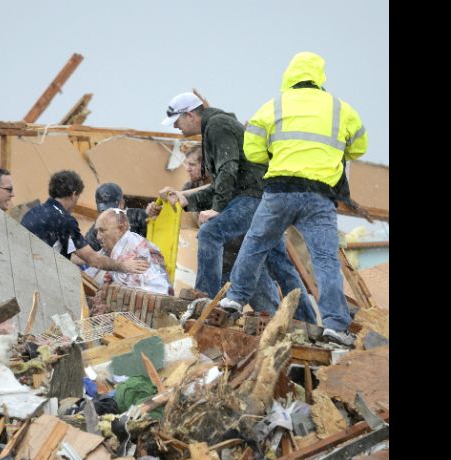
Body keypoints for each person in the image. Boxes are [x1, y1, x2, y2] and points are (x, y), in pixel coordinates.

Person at [219, 52, 367, 347]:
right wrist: (332, 155)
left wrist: (277, 154)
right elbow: (359, 147)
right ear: (319, 76)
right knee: (325, 260)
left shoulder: (274, 105)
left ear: (289, 74)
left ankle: (234, 299)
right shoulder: (341, 109)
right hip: (319, 195)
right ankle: (336, 327)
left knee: (255, 243)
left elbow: (253, 151)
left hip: (280, 191)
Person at [157, 91, 317, 323]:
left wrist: (218, 208)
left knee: (211, 233)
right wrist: (185, 199)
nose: (176, 128)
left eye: (177, 121)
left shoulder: (217, 125)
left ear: (190, 115)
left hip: (255, 198)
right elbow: (224, 181)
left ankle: (205, 300)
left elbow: (227, 170)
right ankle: (308, 322)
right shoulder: (217, 126)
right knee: (280, 265)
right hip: (264, 199)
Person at [21, 170, 149, 275]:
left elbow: (70, 255)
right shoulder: (64, 220)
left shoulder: (34, 212)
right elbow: (93, 259)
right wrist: (124, 266)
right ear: (74, 194)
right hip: (40, 276)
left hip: (23, 269)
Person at [94, 209, 171, 295]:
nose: (98, 237)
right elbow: (91, 260)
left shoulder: (139, 252)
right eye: (97, 231)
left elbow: (159, 292)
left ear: (120, 229)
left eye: (102, 231)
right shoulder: (112, 248)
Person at [85, 183, 147, 251]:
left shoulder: (138, 216)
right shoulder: (97, 229)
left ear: (122, 204)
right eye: (103, 211)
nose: (107, 214)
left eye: (111, 210)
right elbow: (84, 253)